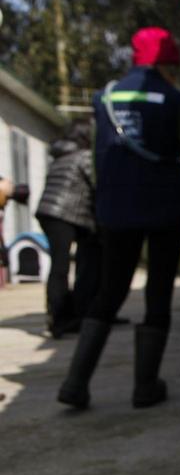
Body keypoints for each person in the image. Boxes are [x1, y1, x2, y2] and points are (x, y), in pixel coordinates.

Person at [58, 27, 180, 409]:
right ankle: (145, 389)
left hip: (116, 210)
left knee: (110, 291)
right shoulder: (173, 99)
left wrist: (105, 202)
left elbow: (99, 161)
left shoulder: (106, 98)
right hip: (166, 208)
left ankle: (75, 384)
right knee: (158, 291)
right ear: (168, 65)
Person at [36, 120, 102, 337]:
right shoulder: (84, 157)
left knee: (62, 263)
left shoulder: (60, 156)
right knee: (68, 265)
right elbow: (98, 184)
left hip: (49, 212)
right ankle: (64, 318)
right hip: (65, 214)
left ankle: (64, 314)